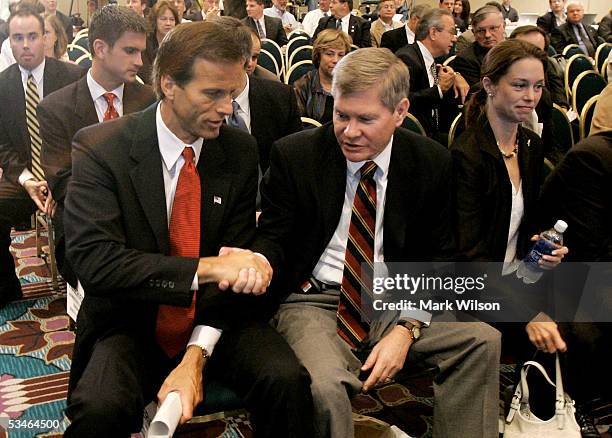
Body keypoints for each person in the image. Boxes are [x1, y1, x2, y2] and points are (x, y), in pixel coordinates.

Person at [62, 20, 314, 438]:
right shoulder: (100, 147)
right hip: (130, 320)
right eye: (213, 93)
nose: (228, 108)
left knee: (286, 381)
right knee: (99, 407)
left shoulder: (237, 149)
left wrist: (195, 356)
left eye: (233, 93)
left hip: (214, 319)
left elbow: (235, 266)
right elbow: (97, 264)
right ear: (168, 85)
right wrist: (209, 267)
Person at [251, 47, 501, 438]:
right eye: (341, 115)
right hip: (314, 298)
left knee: (481, 340)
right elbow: (274, 239)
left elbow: (439, 258)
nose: (349, 131)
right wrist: (255, 262)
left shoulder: (430, 161)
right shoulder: (295, 155)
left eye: (365, 119)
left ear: (400, 112)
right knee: (325, 387)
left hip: (394, 294)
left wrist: (407, 329)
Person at [38, 5, 156, 288]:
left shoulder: (150, 101)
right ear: (100, 48)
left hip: (145, 220)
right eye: (130, 51)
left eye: (141, 51)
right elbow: (63, 183)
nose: (140, 61)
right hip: (86, 223)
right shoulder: (56, 108)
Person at [0, 5, 83, 308]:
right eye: (17, 37)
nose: (25, 45)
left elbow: (85, 137)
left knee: (76, 218)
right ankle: (6, 286)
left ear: (45, 37)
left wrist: (60, 181)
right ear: (9, 41)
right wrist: (27, 180)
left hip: (69, 176)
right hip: (26, 178)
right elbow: (3, 148)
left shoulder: (73, 77)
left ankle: (79, 296)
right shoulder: (2, 85)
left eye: (32, 36)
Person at [396, 8, 469, 140]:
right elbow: (402, 103)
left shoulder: (433, 58)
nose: (455, 38)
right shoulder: (407, 58)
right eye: (452, 32)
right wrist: (439, 90)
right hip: (416, 137)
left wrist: (455, 76)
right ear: (433, 33)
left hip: (434, 131)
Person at [293, 29, 351, 123]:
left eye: (341, 55)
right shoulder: (303, 85)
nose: (336, 60)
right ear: (318, 56)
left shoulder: (353, 85)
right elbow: (297, 126)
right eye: (329, 54)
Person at [453, 5, 505, 86]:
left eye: (493, 28)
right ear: (473, 33)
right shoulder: (466, 60)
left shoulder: (517, 49)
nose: (487, 35)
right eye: (481, 31)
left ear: (504, 26)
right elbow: (479, 95)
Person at [140, 0, 178, 84]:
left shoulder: (179, 43)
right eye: (163, 19)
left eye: (172, 19)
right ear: (155, 20)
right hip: (150, 88)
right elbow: (145, 73)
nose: (168, 23)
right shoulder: (145, 43)